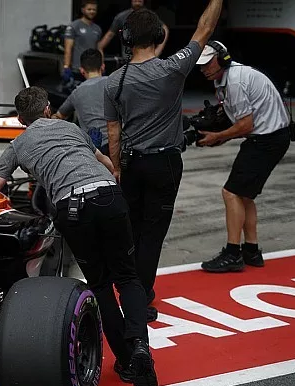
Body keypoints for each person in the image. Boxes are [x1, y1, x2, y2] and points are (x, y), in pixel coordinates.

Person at [0, 86, 158, 386]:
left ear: (20, 119)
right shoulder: (71, 128)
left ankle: (126, 362)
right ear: (47, 109)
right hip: (109, 198)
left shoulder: (18, 144)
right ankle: (139, 346)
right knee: (127, 277)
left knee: (100, 285)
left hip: (72, 208)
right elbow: (109, 165)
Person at [104, 0, 223, 321]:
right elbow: (205, 29)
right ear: (158, 37)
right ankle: (139, 299)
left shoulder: (113, 81)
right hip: (165, 164)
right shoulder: (173, 67)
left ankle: (130, 287)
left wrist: (116, 168)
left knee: (134, 230)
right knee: (153, 235)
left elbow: (113, 134)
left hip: (130, 164)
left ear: (127, 40)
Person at [195, 41, 292, 272]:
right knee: (244, 195)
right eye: (200, 66)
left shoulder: (236, 80)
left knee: (231, 193)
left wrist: (218, 136)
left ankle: (232, 253)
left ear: (223, 59)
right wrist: (221, 137)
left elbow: (246, 125)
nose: (203, 69)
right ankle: (251, 250)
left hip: (266, 139)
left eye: (207, 63)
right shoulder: (227, 78)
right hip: (270, 137)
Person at [53, 49, 109, 154]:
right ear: (103, 67)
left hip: (97, 151)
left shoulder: (76, 93)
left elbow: (58, 117)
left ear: (82, 70)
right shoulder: (114, 83)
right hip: (122, 145)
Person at [98, 0, 168, 60]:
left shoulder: (150, 16)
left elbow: (164, 28)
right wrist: (99, 48)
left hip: (148, 59)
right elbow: (109, 34)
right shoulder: (121, 17)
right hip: (128, 60)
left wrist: (158, 51)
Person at [62, 1, 103, 86]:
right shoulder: (74, 26)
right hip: (77, 69)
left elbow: (99, 48)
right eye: (89, 9)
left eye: (94, 9)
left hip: (93, 70)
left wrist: (102, 64)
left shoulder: (97, 28)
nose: (92, 11)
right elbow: (68, 48)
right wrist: (66, 67)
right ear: (83, 10)